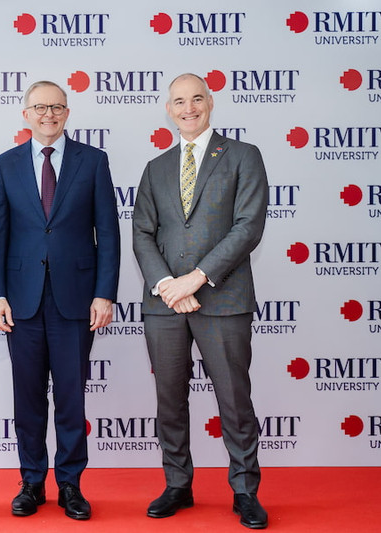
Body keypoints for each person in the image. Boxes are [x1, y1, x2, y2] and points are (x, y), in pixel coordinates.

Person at [132, 73, 269, 529]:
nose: (188, 108)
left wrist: (195, 279)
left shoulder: (244, 156)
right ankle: (177, 484)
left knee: (234, 400)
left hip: (223, 299)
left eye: (196, 99)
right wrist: (167, 285)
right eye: (179, 101)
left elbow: (248, 227)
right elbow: (142, 232)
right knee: (169, 400)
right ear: (168, 109)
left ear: (210, 103)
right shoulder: (155, 167)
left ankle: (245, 491)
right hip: (165, 304)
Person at [0, 80, 120, 520]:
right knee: (27, 398)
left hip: (76, 300)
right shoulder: (5, 164)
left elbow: (108, 233)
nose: (49, 114)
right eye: (40, 107)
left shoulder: (93, 161)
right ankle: (31, 482)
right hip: (21, 302)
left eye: (57, 107)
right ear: (26, 114)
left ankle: (70, 484)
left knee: (70, 397)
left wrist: (104, 293)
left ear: (67, 113)